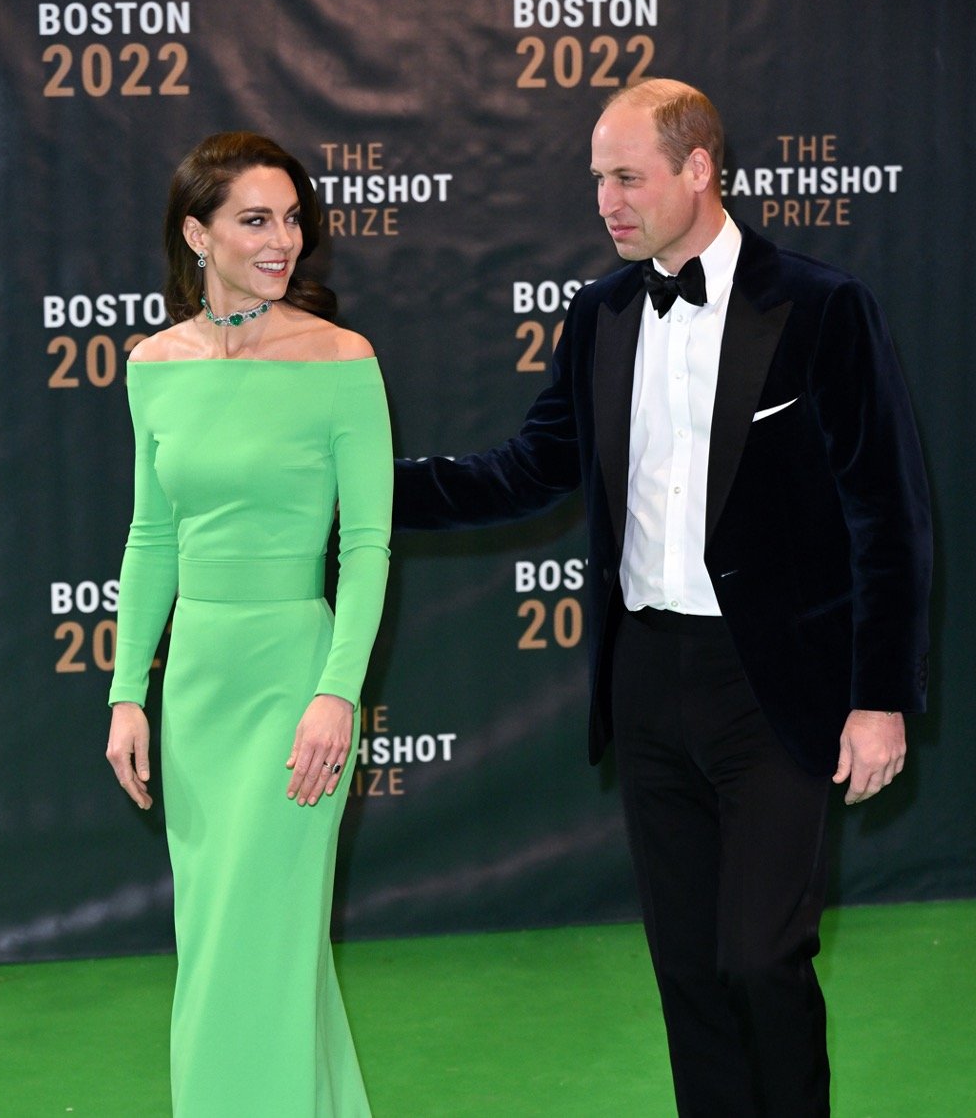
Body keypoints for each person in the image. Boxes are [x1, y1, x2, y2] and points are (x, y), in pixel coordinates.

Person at [392, 80, 930, 1116]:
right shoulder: (599, 314)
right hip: (646, 677)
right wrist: (368, 484)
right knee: (685, 969)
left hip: (773, 682)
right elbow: (526, 469)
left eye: (626, 176)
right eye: (597, 178)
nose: (606, 199)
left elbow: (888, 512)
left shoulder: (820, 305)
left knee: (760, 957)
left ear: (697, 170)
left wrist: (879, 696)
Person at [105, 131, 389, 1114]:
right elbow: (151, 538)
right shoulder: (153, 366)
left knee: (258, 939)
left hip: (294, 684)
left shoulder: (343, 360)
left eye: (292, 220)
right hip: (198, 691)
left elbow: (367, 550)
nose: (284, 242)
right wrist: (126, 692)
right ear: (198, 233)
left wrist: (335, 692)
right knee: (216, 937)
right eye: (255, 221)